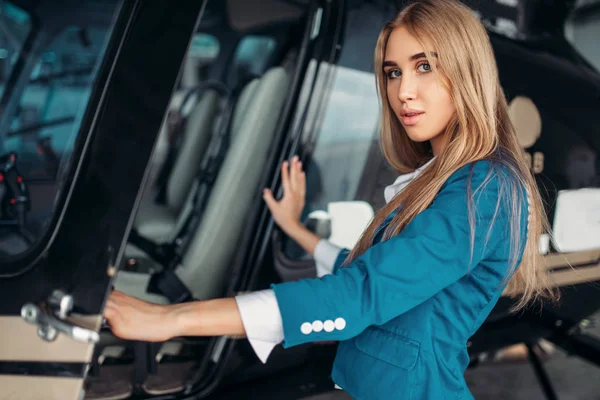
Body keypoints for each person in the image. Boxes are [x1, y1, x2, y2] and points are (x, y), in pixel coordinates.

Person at [103, 1, 559, 398]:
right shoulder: (445, 179)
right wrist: (297, 230)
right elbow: (374, 272)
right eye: (393, 73)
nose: (403, 91)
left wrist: (171, 321)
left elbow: (361, 293)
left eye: (425, 66)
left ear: (466, 71)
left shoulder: (485, 187)